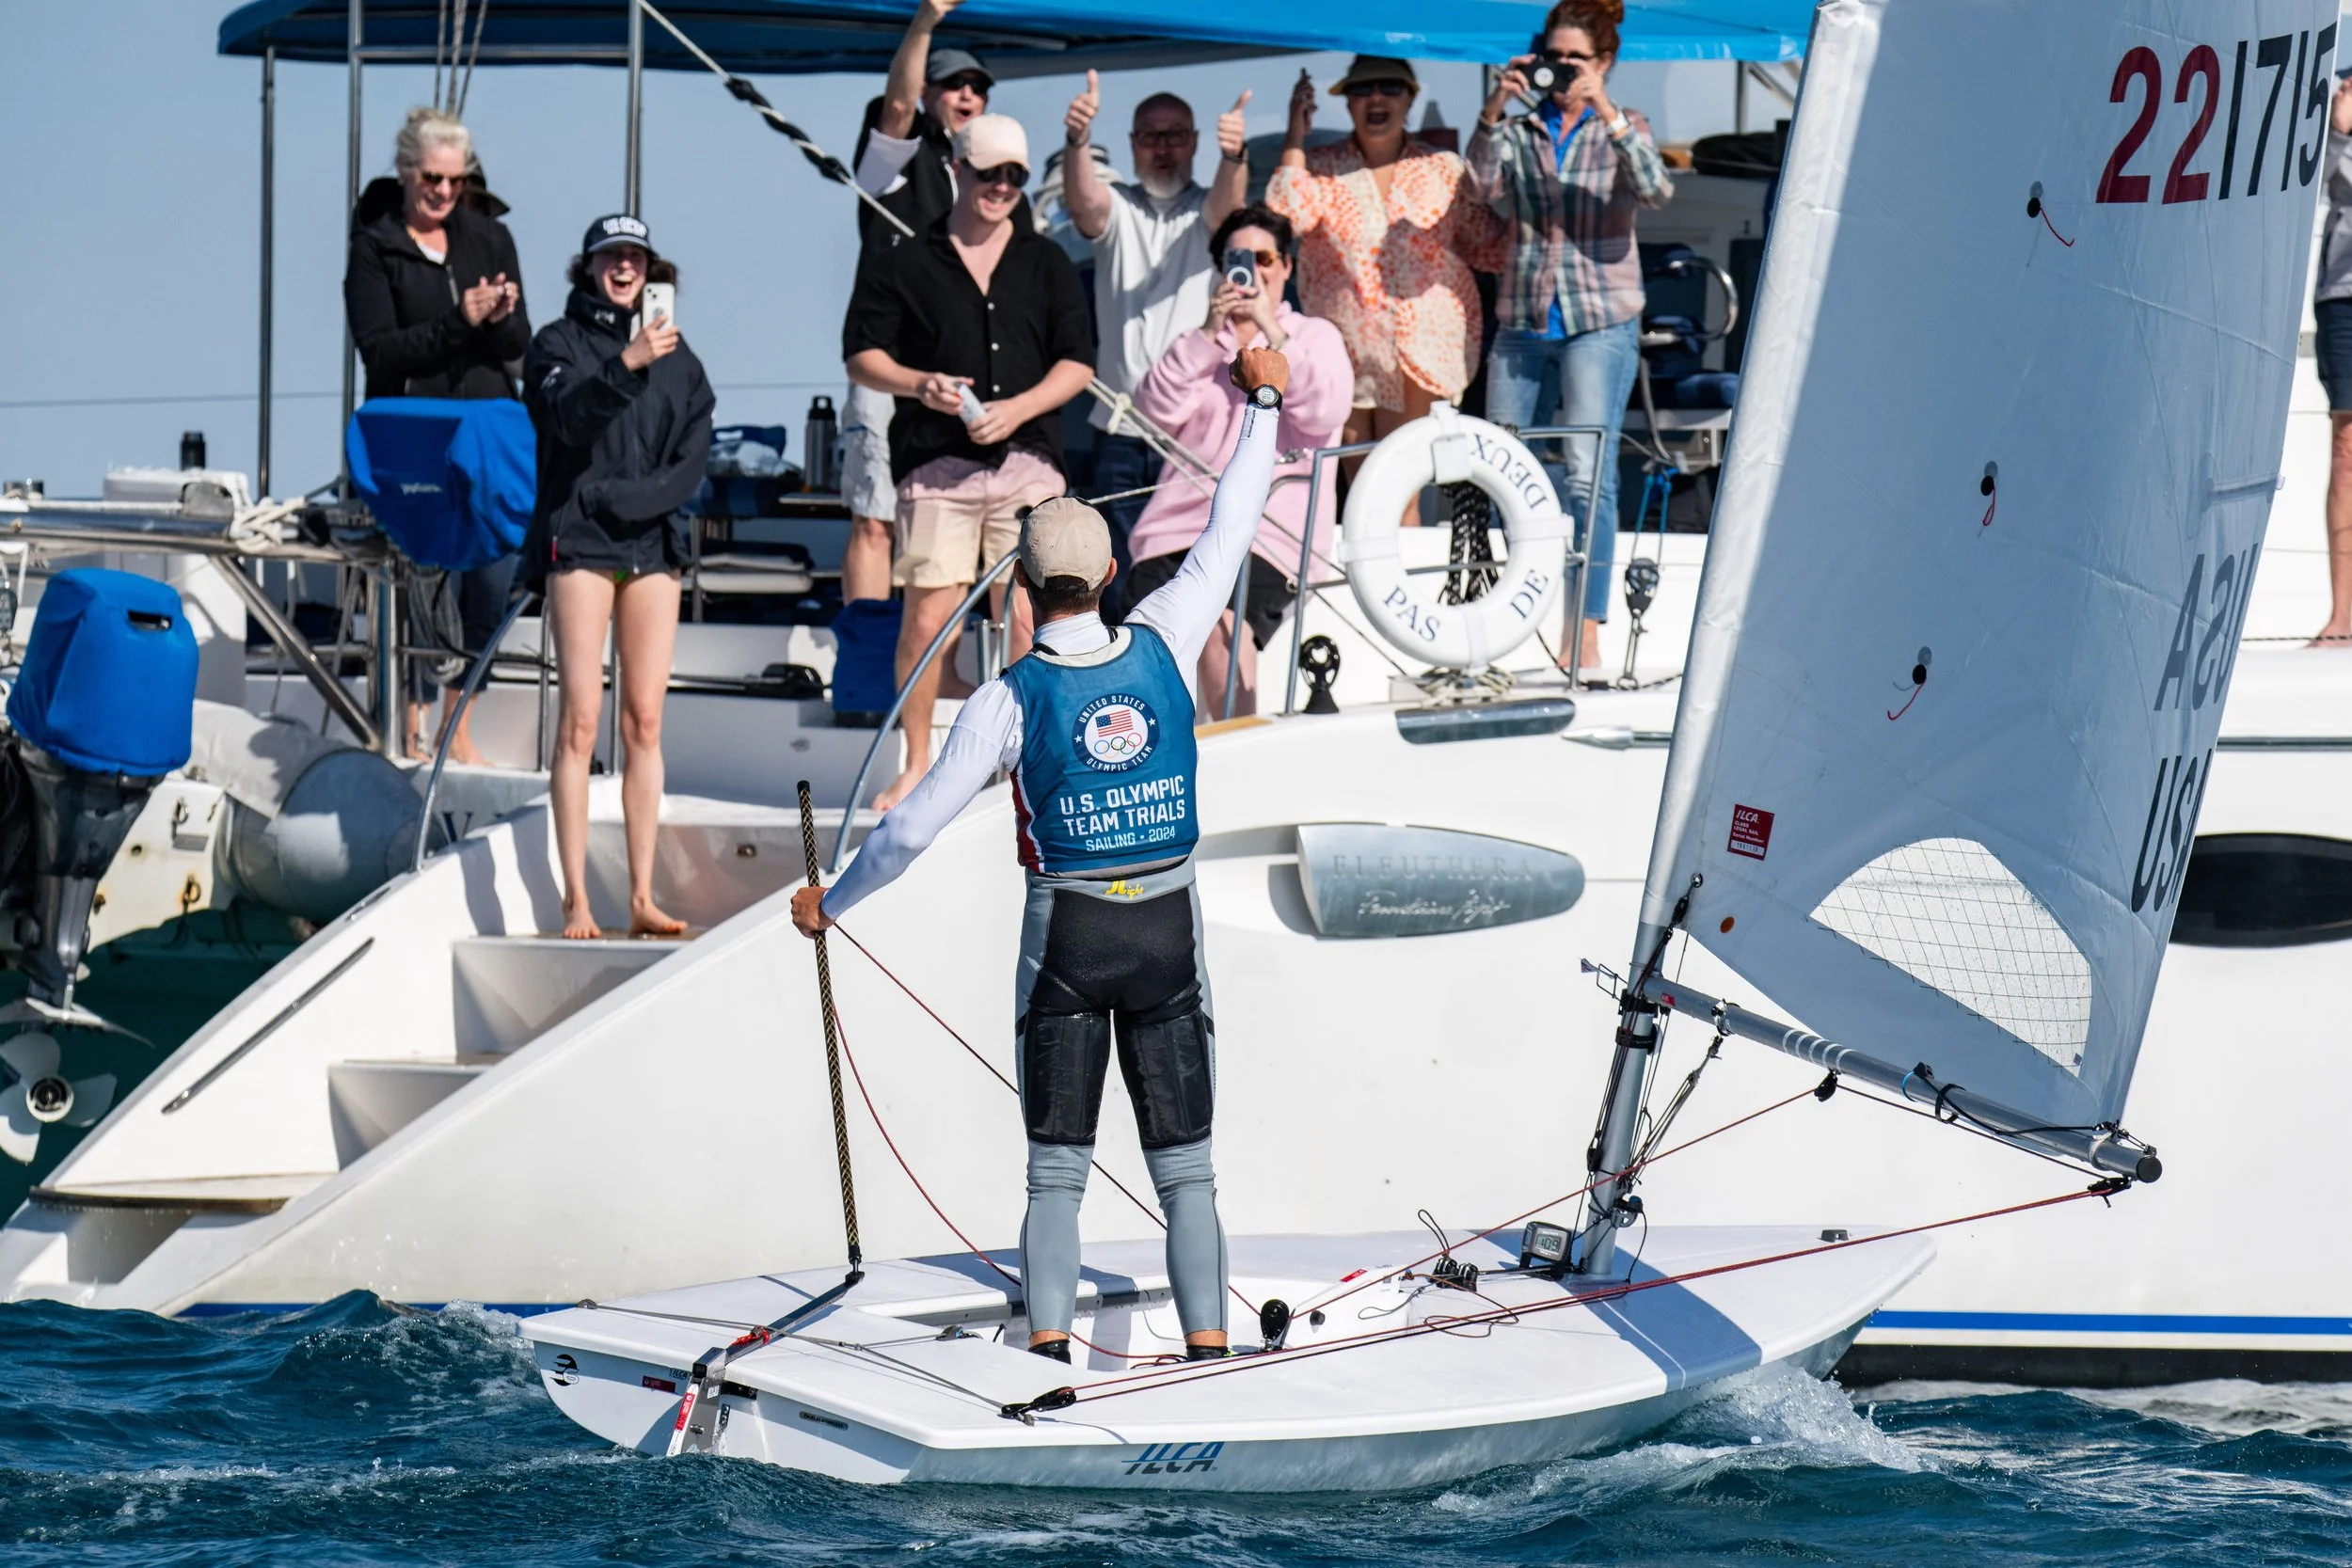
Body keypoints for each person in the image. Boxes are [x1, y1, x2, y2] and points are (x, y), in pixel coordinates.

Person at [793, 345, 1293, 1365]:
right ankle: (1209, 1349)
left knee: (1054, 1176)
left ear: (1022, 585)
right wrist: (1265, 400)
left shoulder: (1003, 698)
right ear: (1111, 574)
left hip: (1065, 937)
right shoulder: (1164, 629)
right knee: (1187, 1172)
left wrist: (831, 902)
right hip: (1165, 934)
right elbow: (1233, 519)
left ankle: (1050, 1348)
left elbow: (907, 831)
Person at [844, 114, 1096, 811]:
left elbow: (1079, 361)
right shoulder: (904, 261)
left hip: (1028, 461)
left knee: (1028, 619)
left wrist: (1018, 409)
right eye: (991, 173)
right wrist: (918, 383)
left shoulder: (1046, 262)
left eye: (1015, 175)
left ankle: (1029, 767)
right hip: (936, 468)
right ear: (957, 167)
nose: (1005, 186)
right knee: (928, 622)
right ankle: (918, 761)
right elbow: (860, 355)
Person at [523, 215, 715, 941]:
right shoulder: (556, 343)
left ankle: (641, 894)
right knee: (580, 719)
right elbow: (564, 421)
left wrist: (633, 502)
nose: (624, 268)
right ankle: (577, 899)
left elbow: (693, 453)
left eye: (635, 257)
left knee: (644, 719)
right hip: (580, 542)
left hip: (651, 543)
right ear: (589, 267)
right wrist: (626, 362)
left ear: (650, 267)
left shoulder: (680, 356)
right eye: (611, 257)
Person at [1469, 0, 1672, 673]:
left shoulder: (1627, 125)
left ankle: (1582, 627)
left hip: (1600, 320)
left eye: (1575, 60)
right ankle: (1506, 618)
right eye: (1553, 57)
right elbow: (1480, 185)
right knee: (1500, 470)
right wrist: (1495, 109)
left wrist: (1607, 111)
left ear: (1604, 62)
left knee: (1589, 478)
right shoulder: (1523, 128)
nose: (1561, 69)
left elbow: (1656, 188)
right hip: (1525, 317)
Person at [343, 106, 528, 761]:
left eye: (455, 180)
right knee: (419, 577)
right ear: (404, 173)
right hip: (412, 436)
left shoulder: (488, 239)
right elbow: (381, 351)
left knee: (492, 573)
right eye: (431, 179)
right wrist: (459, 320)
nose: (444, 192)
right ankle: (412, 722)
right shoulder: (375, 247)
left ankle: (458, 726)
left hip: (486, 433)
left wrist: (497, 318)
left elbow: (517, 341)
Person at [1124, 207, 1351, 715]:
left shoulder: (1315, 337)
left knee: (1220, 624)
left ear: (1286, 267)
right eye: (1238, 258)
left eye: (1265, 257)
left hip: (1269, 536)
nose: (1254, 269)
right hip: (1173, 533)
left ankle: (1237, 754)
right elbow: (1153, 410)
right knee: (1136, 648)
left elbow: (1325, 411)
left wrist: (1271, 330)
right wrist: (1210, 332)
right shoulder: (1200, 342)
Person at [1265, 55, 1504, 522]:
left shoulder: (1443, 169)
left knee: (1401, 489)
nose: (1376, 97)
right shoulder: (1320, 166)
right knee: (1362, 491)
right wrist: (1295, 137)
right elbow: (1285, 215)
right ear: (1348, 103)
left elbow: (1489, 246)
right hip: (1345, 352)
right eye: (1363, 89)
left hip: (1420, 352)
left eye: (1390, 88)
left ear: (1410, 98)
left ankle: (1406, 589)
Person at [1059, 77, 1250, 591]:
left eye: (1175, 136)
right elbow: (1082, 204)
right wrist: (1077, 140)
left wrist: (1234, 156)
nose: (1163, 148)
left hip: (1194, 436)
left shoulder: (1209, 214)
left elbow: (1229, 210)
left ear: (1193, 142)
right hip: (1122, 433)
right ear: (1131, 144)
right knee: (1117, 582)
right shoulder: (1116, 207)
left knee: (1189, 583)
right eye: (1150, 136)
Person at [839, 0, 996, 605]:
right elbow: (898, 108)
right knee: (874, 516)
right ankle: (870, 665)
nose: (966, 94)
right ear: (928, 90)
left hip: (961, 365)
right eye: (952, 83)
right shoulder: (894, 160)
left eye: (977, 87)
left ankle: (945, 667)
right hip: (887, 363)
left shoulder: (996, 182)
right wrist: (925, 21)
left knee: (957, 522)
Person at [2315, 67, 2352, 646]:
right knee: (2347, 446)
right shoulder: (2334, 116)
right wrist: (2337, 136)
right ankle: (2343, 617)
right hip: (2343, 295)